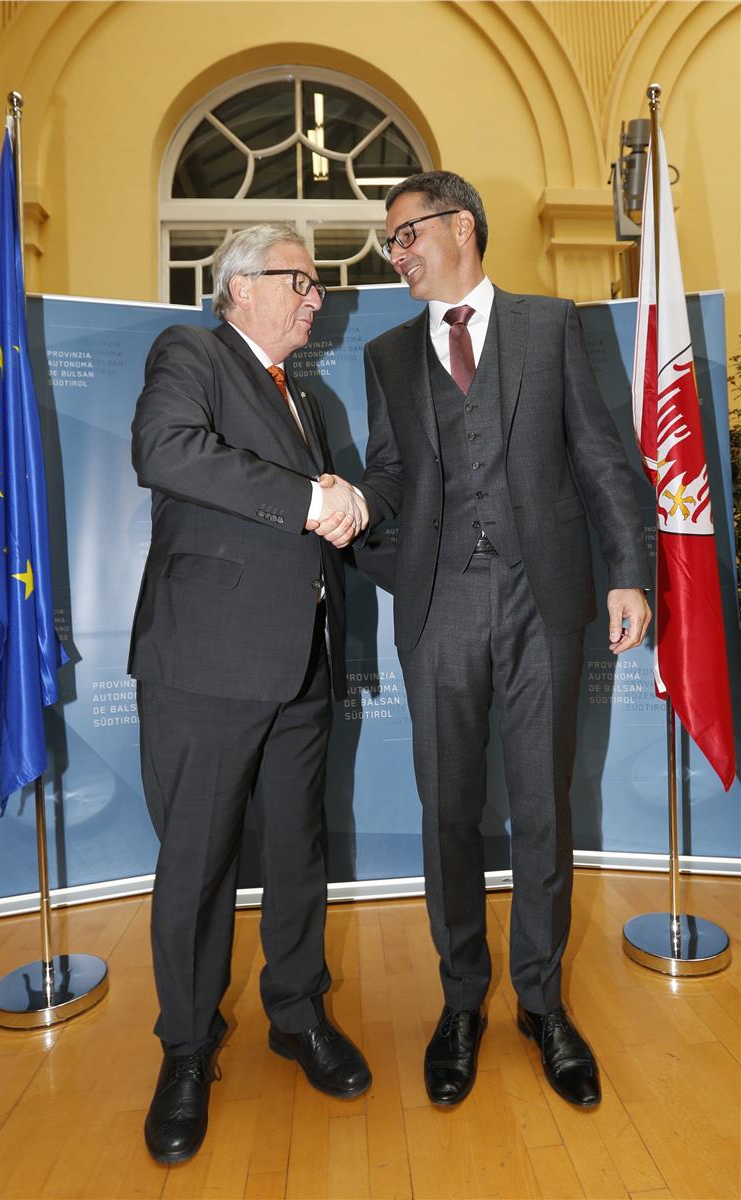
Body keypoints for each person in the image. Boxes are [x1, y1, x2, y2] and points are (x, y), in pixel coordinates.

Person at [347, 171, 651, 1109]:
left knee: (543, 810)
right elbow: (390, 476)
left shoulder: (550, 325)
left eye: (406, 235)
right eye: (391, 242)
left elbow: (600, 456)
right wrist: (358, 516)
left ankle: (543, 1006)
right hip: (437, 609)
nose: (396, 255)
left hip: (541, 601)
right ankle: (461, 1004)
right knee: (446, 812)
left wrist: (626, 571)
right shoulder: (388, 355)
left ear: (461, 227)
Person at [129, 223, 370, 1165]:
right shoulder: (191, 353)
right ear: (240, 285)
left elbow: (323, 521)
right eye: (301, 281)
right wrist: (311, 499)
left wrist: (351, 509)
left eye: (317, 285)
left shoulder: (300, 396)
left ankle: (297, 1013)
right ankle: (187, 1048)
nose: (317, 298)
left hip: (300, 662)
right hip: (205, 663)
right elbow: (165, 451)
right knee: (198, 863)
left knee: (299, 848)